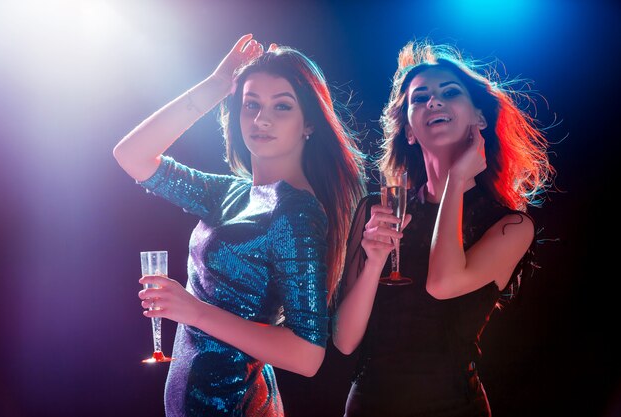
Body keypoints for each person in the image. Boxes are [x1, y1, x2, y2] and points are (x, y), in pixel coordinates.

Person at [113, 34, 366, 417]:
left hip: (238, 405)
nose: (261, 119)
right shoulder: (229, 193)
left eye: (282, 107)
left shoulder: (295, 213)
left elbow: (307, 354)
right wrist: (217, 84)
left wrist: (192, 310)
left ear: (309, 124)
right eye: (251, 104)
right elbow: (132, 155)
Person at [332, 39, 555, 417]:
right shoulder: (377, 209)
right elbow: (345, 341)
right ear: (409, 131)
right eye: (419, 99)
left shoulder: (511, 226)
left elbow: (442, 283)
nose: (433, 102)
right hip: (370, 404)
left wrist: (456, 179)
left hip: (455, 407)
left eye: (449, 93)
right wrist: (373, 262)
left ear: (479, 119)